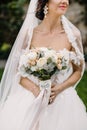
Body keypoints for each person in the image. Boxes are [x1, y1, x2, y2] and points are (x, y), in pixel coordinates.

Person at [0, 0, 87, 130]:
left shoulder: (73, 35)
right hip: (30, 98)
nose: (65, 1)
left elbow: (78, 71)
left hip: (61, 101)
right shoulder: (28, 34)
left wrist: (58, 89)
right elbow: (18, 72)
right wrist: (37, 91)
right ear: (45, 3)